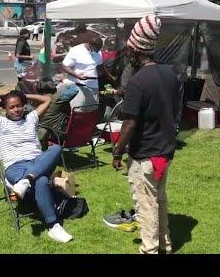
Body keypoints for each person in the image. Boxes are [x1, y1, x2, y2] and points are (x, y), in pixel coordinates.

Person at [104, 15, 181, 254]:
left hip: (145, 155)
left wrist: (117, 152)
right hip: (165, 151)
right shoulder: (171, 74)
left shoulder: (138, 82)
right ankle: (164, 245)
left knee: (146, 205)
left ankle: (149, 249)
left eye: (128, 49)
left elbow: (129, 123)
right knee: (159, 201)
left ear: (135, 50)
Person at [0, 90, 73, 243]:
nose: (16, 109)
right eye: (12, 107)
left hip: (37, 162)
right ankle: (53, 225)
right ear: (5, 109)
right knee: (41, 181)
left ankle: (26, 181)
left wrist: (23, 95)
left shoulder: (31, 119)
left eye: (19, 105)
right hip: (15, 168)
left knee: (55, 149)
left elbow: (47, 100)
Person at [60, 32, 115, 111]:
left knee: (92, 109)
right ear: (90, 45)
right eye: (96, 50)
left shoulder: (97, 52)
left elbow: (100, 67)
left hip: (93, 86)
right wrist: (76, 75)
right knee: (78, 110)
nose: (97, 52)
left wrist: (110, 76)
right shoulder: (75, 51)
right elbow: (65, 66)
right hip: (78, 86)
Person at [35, 78, 80, 147]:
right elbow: (74, 90)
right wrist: (65, 80)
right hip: (57, 132)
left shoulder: (37, 99)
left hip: (46, 132)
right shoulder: (59, 97)